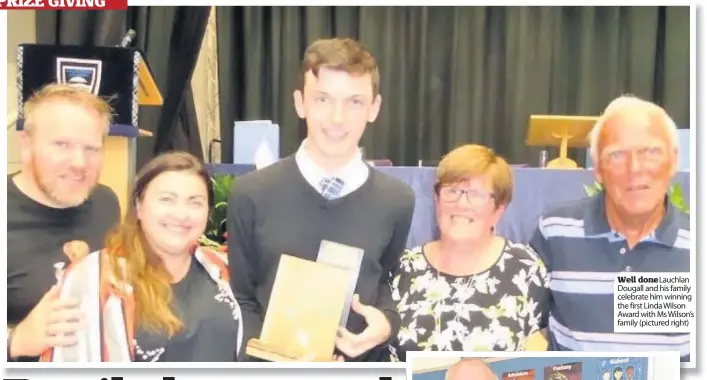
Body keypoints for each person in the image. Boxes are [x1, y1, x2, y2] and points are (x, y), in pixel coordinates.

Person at [227, 37, 415, 362]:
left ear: (375, 108)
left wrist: (386, 324)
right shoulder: (251, 193)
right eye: (323, 99)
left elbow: (383, 281)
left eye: (354, 102)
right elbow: (242, 298)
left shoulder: (397, 201)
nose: (337, 118)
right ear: (300, 102)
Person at [39, 151, 243, 362]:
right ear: (139, 205)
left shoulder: (222, 270)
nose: (181, 214)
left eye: (195, 202)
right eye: (167, 199)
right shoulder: (93, 278)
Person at [530, 95, 690, 360]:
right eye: (617, 155)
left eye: (650, 152)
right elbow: (519, 318)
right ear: (599, 170)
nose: (634, 169)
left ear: (673, 160)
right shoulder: (556, 231)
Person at [390, 144, 550, 361]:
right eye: (452, 191)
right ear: (437, 200)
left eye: (476, 194)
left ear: (498, 209)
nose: (461, 204)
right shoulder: (403, 268)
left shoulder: (525, 269)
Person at [7, 83, 121, 361]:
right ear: (26, 145)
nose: (79, 163)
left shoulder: (106, 203)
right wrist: (15, 340)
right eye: (61, 145)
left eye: (92, 149)